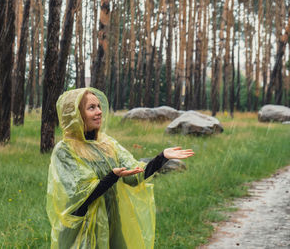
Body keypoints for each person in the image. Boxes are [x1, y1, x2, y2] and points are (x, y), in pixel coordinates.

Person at [46, 87, 194, 249]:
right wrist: (112, 177)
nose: (99, 112)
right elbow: (80, 194)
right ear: (75, 115)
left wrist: (162, 157)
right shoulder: (65, 150)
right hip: (83, 227)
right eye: (91, 108)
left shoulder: (107, 144)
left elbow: (134, 175)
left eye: (99, 106)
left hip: (112, 223)